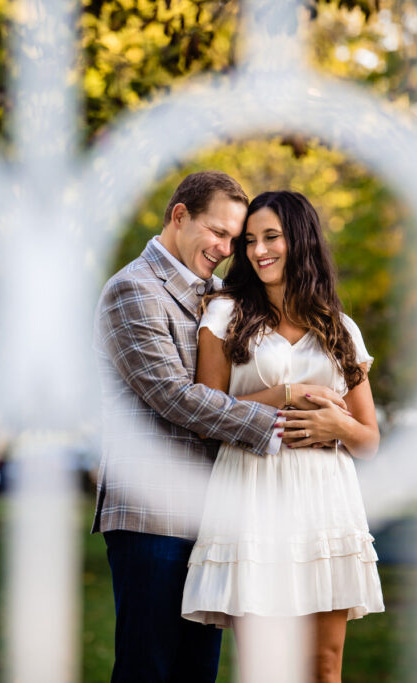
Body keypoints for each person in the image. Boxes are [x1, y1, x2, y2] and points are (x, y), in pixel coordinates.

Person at [93, 172, 346, 683]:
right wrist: (291, 405)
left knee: (197, 670)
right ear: (179, 216)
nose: (228, 248)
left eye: (236, 239)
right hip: (152, 511)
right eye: (218, 232)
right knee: (150, 667)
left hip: (216, 512)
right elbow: (176, 398)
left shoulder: (221, 297)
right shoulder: (132, 290)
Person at [181, 190, 385, 683]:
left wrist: (339, 427)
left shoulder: (340, 328)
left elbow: (369, 439)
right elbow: (208, 413)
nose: (257, 250)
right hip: (252, 494)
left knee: (323, 666)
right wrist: (286, 394)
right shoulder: (226, 314)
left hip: (324, 499)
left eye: (271, 237)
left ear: (301, 240)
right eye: (249, 240)